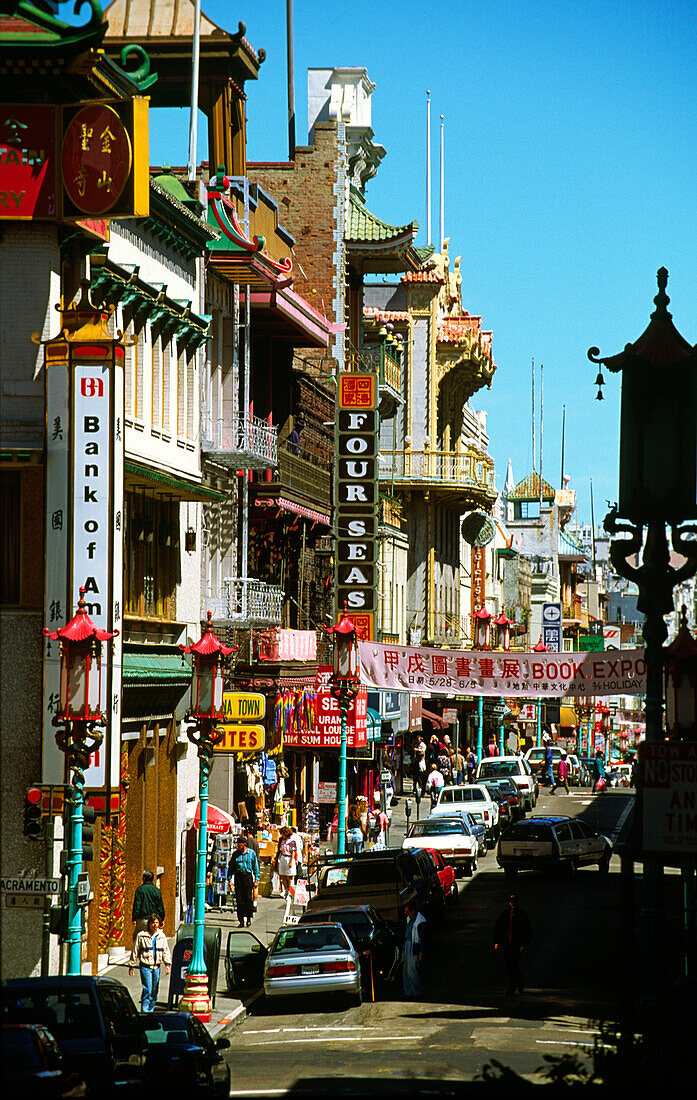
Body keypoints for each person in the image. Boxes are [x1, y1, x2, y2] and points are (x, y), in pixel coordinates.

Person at [129, 913, 171, 1012]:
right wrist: (132, 965)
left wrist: (167, 964)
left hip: (156, 967)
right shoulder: (141, 935)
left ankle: (151, 1009)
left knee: (155, 989)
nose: (155, 925)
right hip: (145, 966)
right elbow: (135, 950)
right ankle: (145, 1010)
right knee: (147, 988)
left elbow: (166, 950)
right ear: (149, 924)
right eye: (153, 923)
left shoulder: (161, 936)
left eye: (157, 922)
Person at [493, 894, 532, 995]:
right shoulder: (505, 914)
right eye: (511, 902)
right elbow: (499, 927)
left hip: (516, 944)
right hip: (507, 944)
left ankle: (512, 987)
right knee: (510, 965)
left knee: (513, 965)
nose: (512, 904)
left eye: (514, 902)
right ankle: (520, 981)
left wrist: (524, 944)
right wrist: (497, 941)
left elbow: (527, 930)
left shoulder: (522, 915)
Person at [228, 835, 259, 927]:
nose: (238, 846)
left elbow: (255, 867)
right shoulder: (235, 854)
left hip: (247, 877)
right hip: (238, 877)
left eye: (239, 844)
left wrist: (256, 879)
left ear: (244, 844)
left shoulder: (251, 853)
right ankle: (241, 920)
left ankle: (249, 918)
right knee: (239, 900)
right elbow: (231, 868)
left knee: (248, 899)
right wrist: (230, 879)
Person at [402, 897, 427, 998]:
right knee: (405, 971)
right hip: (407, 944)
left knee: (412, 970)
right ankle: (408, 992)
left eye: (408, 912)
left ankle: (416, 992)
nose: (406, 914)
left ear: (413, 911)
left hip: (414, 946)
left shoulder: (420, 921)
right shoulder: (409, 918)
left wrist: (421, 951)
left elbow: (423, 938)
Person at [132, 871, 165, 939]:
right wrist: (162, 919)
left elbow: (137, 905)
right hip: (154, 920)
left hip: (142, 919)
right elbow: (160, 906)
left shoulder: (140, 890)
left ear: (144, 878)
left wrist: (134, 918)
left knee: (138, 938)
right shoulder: (156, 890)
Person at [274, 826, 298, 897]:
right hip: (283, 857)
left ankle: (290, 891)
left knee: (289, 876)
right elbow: (281, 850)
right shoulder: (283, 841)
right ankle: (286, 889)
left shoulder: (292, 842)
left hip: (289, 857)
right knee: (282, 875)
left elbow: (293, 852)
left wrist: (291, 861)